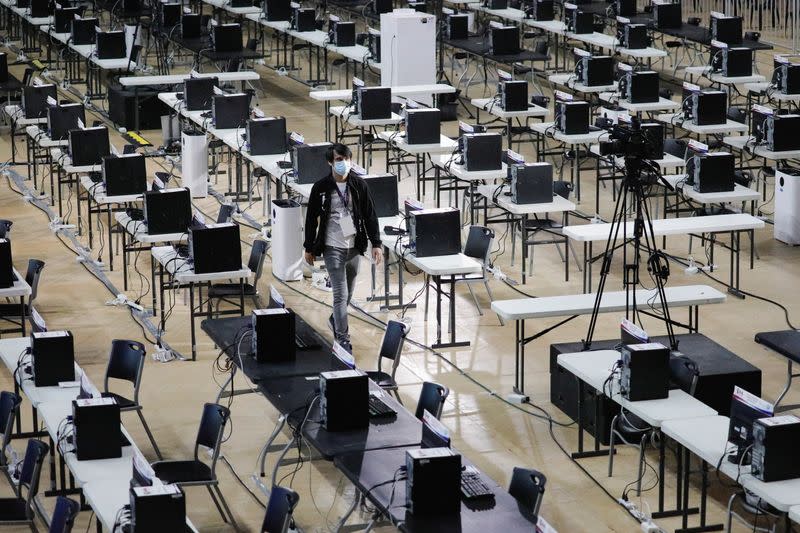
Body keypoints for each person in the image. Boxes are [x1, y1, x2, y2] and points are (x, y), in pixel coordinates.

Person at [303, 143, 382, 352]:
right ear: (330, 162)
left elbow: (370, 215)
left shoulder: (359, 185)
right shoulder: (321, 187)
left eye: (346, 159)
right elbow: (311, 218)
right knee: (340, 293)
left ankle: (335, 319)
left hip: (354, 246)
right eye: (339, 160)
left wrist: (377, 243)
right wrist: (308, 247)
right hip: (332, 247)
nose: (343, 163)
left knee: (348, 293)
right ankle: (343, 338)